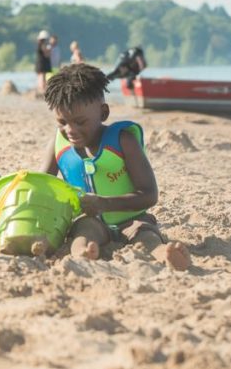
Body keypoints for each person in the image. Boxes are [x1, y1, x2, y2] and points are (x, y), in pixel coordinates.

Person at [40, 64, 190, 270]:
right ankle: (83, 253)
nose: (70, 130)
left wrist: (104, 203)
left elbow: (149, 194)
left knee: (145, 236)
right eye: (62, 122)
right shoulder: (59, 146)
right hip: (90, 221)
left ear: (103, 113)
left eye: (80, 122)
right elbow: (41, 186)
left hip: (132, 218)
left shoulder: (123, 141)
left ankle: (165, 254)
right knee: (82, 233)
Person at [34, 30, 52, 94]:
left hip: (39, 63)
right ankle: (43, 90)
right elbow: (46, 54)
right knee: (42, 77)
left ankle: (41, 89)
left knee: (40, 76)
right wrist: (49, 50)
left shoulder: (39, 44)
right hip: (42, 63)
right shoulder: (43, 45)